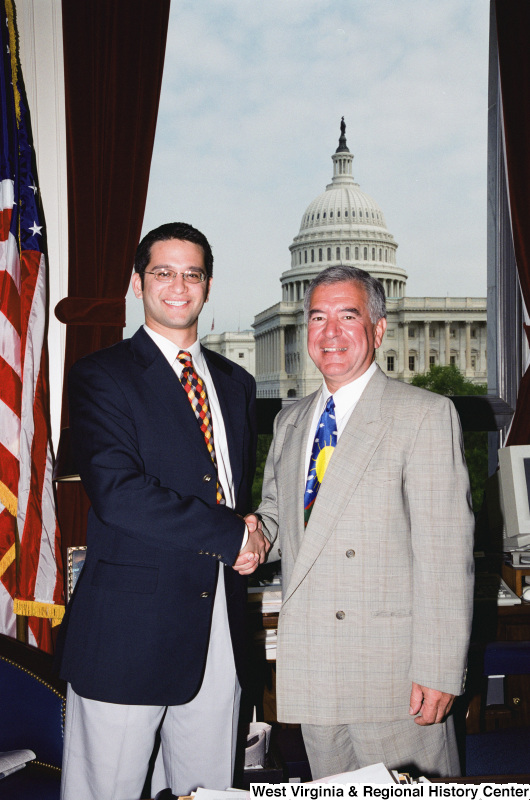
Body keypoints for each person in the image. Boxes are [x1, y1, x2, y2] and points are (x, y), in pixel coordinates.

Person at [56, 222, 269, 800]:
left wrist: (252, 531)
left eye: (192, 274)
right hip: (128, 632)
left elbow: (228, 491)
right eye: (163, 272)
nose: (178, 285)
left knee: (207, 791)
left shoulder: (235, 384)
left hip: (217, 626)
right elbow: (119, 493)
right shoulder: (102, 375)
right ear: (136, 283)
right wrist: (230, 533)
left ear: (207, 285)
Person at [249, 265, 474, 779]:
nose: (330, 333)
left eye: (348, 316)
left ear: (377, 329)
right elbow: (282, 515)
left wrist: (439, 671)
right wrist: (254, 536)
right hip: (314, 662)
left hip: (394, 673)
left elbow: (445, 557)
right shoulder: (291, 419)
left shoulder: (423, 414)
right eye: (318, 318)